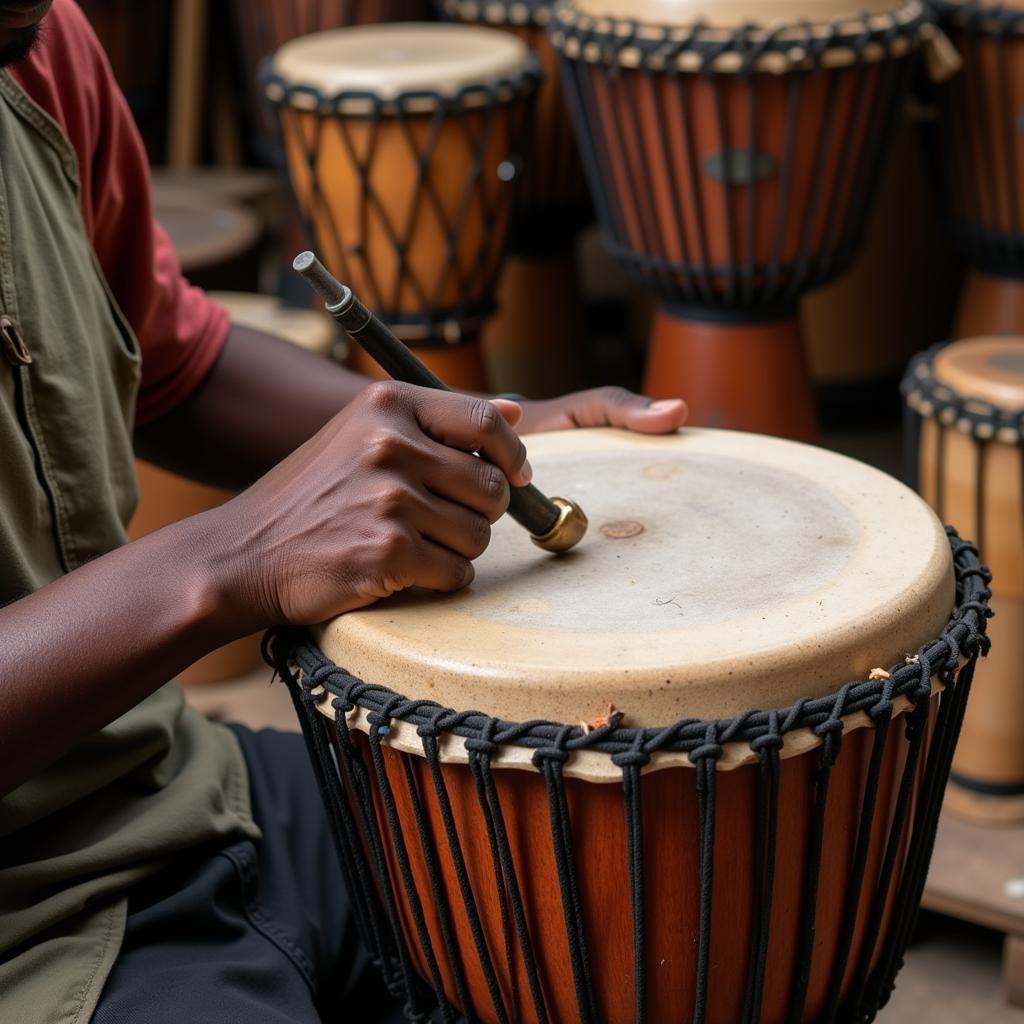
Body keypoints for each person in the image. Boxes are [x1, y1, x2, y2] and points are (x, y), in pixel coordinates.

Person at [0, 2, 687, 1021]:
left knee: (610, 872)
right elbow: (234, 548)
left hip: (160, 781)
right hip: (27, 929)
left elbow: (173, 364)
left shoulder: (36, 44)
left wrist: (474, 432)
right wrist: (236, 557)